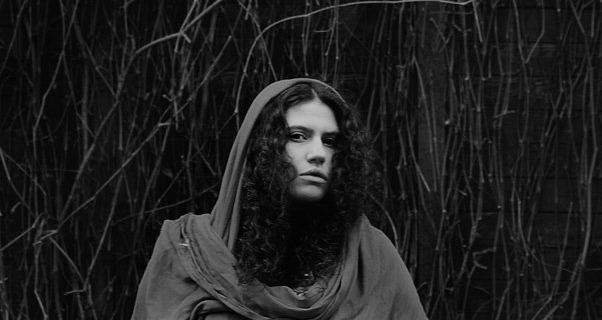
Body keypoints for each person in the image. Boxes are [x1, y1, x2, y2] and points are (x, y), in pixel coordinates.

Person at [130, 78, 428, 319]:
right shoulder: (186, 251)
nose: (318, 153)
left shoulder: (372, 260)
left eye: (330, 141)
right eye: (297, 136)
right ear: (259, 147)